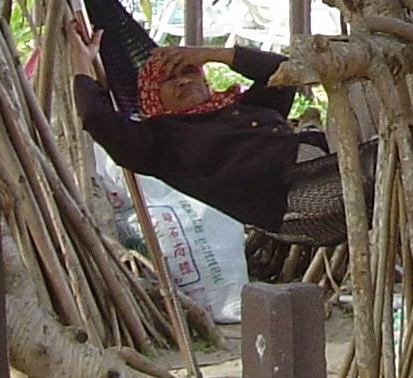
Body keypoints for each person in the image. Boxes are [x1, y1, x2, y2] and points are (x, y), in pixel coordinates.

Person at [66, 14, 356, 247]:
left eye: (188, 72)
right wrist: (82, 62)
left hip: (329, 162)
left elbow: (283, 70)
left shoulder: (242, 105)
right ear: (151, 94)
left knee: (362, 75)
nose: (182, 82)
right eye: (168, 80)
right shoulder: (159, 141)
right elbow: (95, 116)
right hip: (298, 197)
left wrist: (209, 53)